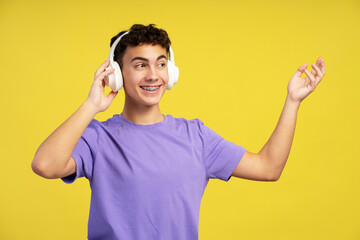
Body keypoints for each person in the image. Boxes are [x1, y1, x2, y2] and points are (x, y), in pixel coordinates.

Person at [31, 24, 326, 240]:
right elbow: (45, 165)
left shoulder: (196, 136)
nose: (152, 75)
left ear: (170, 74)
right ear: (117, 74)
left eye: (161, 64)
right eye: (139, 65)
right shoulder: (97, 137)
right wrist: (91, 105)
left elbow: (269, 167)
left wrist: (292, 102)